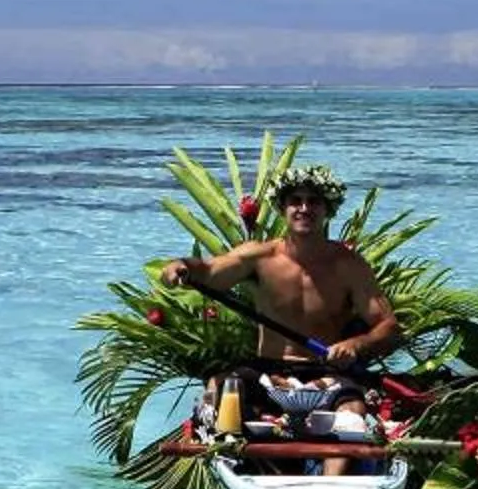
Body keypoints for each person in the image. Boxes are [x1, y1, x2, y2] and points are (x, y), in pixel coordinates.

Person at [159, 163, 401, 447]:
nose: (304, 208)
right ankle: (253, 469)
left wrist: (356, 345)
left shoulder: (349, 266)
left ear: (328, 209)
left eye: (313, 201)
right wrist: (178, 266)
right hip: (267, 373)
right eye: (295, 201)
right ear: (282, 209)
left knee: (352, 418)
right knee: (223, 395)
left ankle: (332, 488)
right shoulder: (259, 257)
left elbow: (390, 328)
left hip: (325, 373)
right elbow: (208, 271)